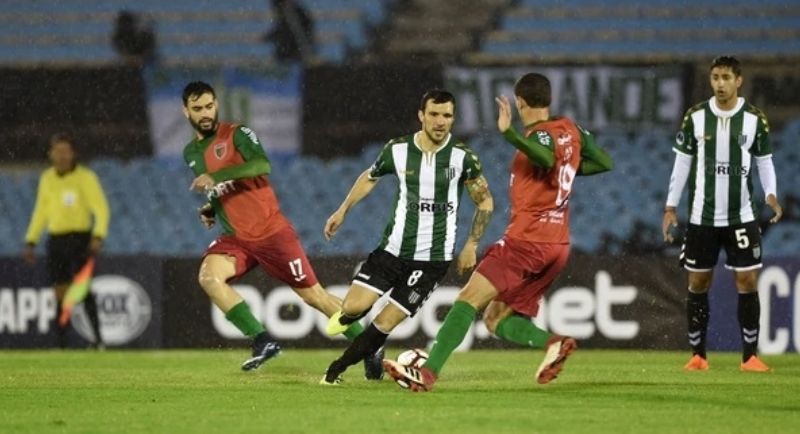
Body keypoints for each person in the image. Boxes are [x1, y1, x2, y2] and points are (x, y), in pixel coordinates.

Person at [384, 73, 614, 392]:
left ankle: (427, 373)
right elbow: (604, 162)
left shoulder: (540, 135)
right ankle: (554, 343)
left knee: (468, 299)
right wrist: (568, 167)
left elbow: (545, 157)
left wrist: (510, 134)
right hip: (557, 244)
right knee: (496, 318)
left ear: (519, 102)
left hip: (526, 240)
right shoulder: (571, 129)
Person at [181, 81, 381, 377]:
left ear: (216, 105)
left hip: (271, 233)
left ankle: (368, 345)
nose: (205, 113)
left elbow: (261, 166)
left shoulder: (237, 134)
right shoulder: (191, 153)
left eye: (209, 106)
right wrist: (212, 206)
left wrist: (216, 176)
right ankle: (262, 340)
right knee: (209, 277)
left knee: (315, 297)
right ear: (186, 112)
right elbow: (222, 188)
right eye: (198, 108)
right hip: (236, 238)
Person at [320, 89, 494, 385]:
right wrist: (342, 210)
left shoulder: (463, 158)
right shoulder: (397, 150)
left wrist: (472, 244)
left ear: (453, 118)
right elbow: (370, 177)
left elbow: (485, 200)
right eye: (434, 114)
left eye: (447, 115)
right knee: (352, 307)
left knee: (384, 322)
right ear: (421, 116)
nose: (440, 121)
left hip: (431, 262)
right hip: (391, 251)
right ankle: (359, 328)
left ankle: (335, 370)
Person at [661, 56, 782, 373]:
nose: (720, 83)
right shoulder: (696, 117)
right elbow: (682, 162)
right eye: (715, 77)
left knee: (747, 279)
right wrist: (670, 206)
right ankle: (698, 355)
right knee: (698, 281)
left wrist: (771, 193)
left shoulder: (754, 119)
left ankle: (749, 356)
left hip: (741, 215)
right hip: (702, 217)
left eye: (726, 77)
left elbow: (764, 161)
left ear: (738, 80)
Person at [23, 134, 109, 349]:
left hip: (80, 240)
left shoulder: (85, 177)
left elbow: (101, 209)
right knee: (60, 292)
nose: (61, 156)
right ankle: (62, 344)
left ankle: (98, 340)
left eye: (65, 151)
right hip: (56, 241)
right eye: (57, 151)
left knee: (83, 289)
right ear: (51, 154)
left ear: (73, 154)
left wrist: (98, 235)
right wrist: (31, 240)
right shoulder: (47, 179)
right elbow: (40, 212)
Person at [262, 0, 314, 64]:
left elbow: (291, 31)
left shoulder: (289, 10)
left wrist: (272, 36)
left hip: (296, 50)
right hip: (296, 49)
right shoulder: (288, 9)